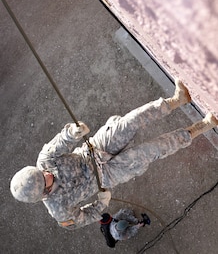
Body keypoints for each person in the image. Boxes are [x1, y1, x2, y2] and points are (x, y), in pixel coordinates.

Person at [10, 79, 218, 230]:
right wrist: (101, 202)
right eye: (45, 180)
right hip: (108, 176)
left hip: (95, 149)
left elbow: (60, 142)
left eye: (41, 172)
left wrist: (72, 133)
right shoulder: (58, 210)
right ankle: (202, 127)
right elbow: (82, 219)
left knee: (132, 120)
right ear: (43, 194)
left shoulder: (44, 161)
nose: (47, 173)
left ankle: (177, 99)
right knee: (154, 150)